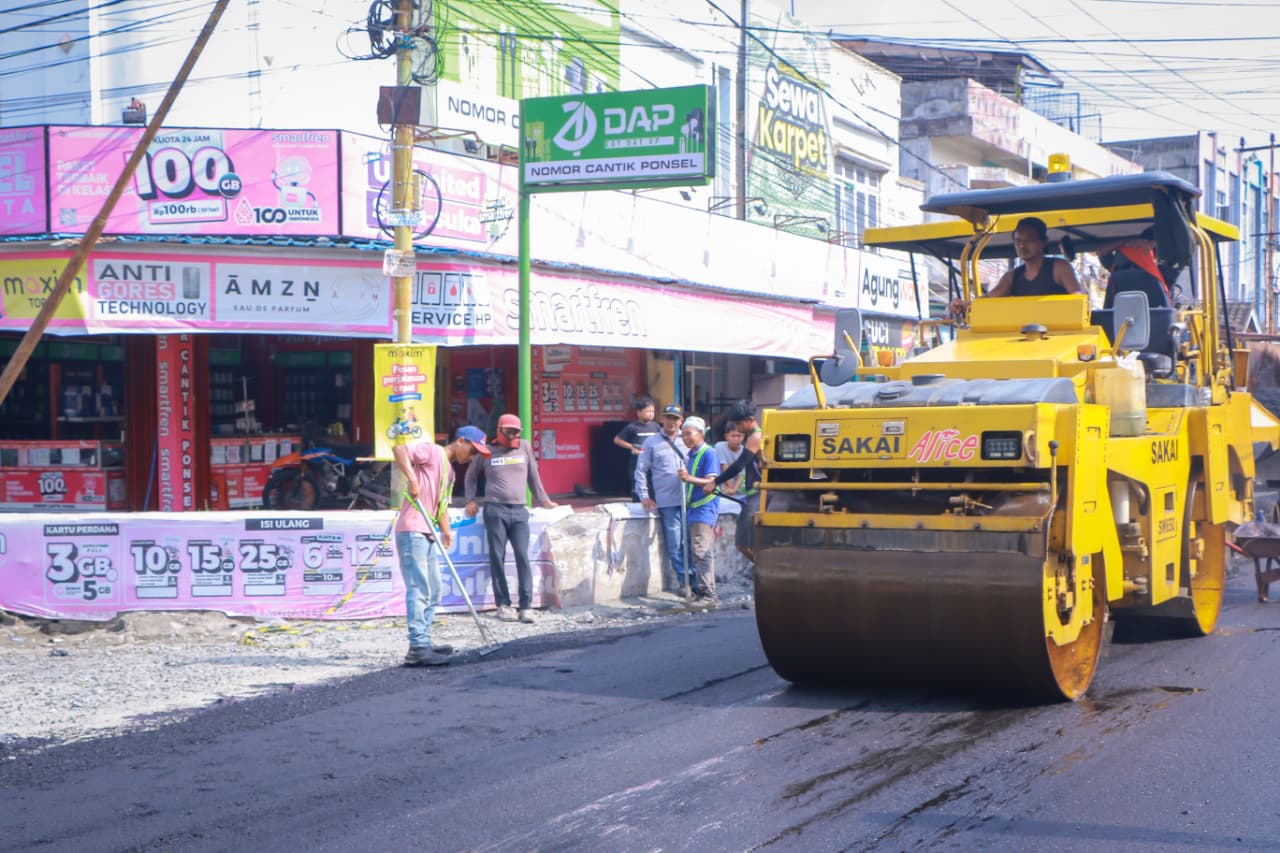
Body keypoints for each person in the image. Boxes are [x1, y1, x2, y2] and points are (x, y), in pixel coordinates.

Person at [392, 426, 490, 667]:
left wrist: (446, 531)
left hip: (427, 532)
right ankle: (418, 646)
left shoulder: (450, 474)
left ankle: (423, 640)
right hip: (412, 530)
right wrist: (412, 480)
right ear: (461, 441)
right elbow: (400, 449)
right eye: (473, 451)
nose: (472, 458)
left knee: (434, 589)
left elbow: (441, 507)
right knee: (419, 588)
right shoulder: (433, 451)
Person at [464, 413, 557, 624]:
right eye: (509, 431)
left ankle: (526, 606)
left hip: (519, 511)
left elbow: (534, 476)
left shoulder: (524, 447)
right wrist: (470, 499)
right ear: (499, 430)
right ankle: (503, 605)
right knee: (497, 557)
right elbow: (470, 476)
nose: (513, 436)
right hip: (495, 509)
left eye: (516, 432)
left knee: (523, 557)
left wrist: (544, 500)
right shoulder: (487, 450)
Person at [950, 217, 1082, 316]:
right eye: (1018, 241)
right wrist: (965, 305)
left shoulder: (1059, 267)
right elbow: (989, 300)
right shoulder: (1011, 276)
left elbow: (1078, 298)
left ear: (1043, 242)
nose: (1022, 245)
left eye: (1029, 240)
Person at [634, 404, 689, 591]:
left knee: (692, 544)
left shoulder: (688, 439)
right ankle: (685, 582)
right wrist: (644, 496)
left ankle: (697, 583)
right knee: (675, 545)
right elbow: (641, 470)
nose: (671, 422)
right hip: (667, 501)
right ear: (662, 419)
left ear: (681, 421)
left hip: (691, 500)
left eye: (675, 418)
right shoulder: (651, 442)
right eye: (668, 417)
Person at [711, 400, 762, 564]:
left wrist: (715, 482)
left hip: (759, 493)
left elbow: (739, 466)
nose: (738, 428)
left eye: (739, 424)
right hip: (752, 493)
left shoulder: (756, 437)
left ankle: (765, 568)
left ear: (750, 420)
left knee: (742, 544)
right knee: (746, 544)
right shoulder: (752, 437)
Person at [675, 416, 720, 602]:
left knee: (702, 551)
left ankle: (708, 592)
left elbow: (711, 481)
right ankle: (703, 590)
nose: (686, 438)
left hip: (704, 508)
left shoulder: (709, 453)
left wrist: (688, 478)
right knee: (698, 551)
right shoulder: (690, 455)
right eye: (683, 434)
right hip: (693, 509)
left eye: (689, 434)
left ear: (700, 433)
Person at [613, 395, 660, 499]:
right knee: (638, 489)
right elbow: (617, 440)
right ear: (638, 412)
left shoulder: (656, 426)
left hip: (654, 464)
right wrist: (632, 447)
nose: (651, 414)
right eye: (648, 411)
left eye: (652, 411)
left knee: (653, 490)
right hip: (637, 464)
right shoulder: (633, 427)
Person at [713, 424, 745, 495]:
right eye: (733, 436)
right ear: (726, 436)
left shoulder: (744, 451)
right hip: (723, 483)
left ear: (743, 437)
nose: (736, 439)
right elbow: (724, 467)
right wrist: (730, 487)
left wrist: (733, 490)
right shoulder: (719, 446)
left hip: (738, 487)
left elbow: (741, 474)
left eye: (739, 436)